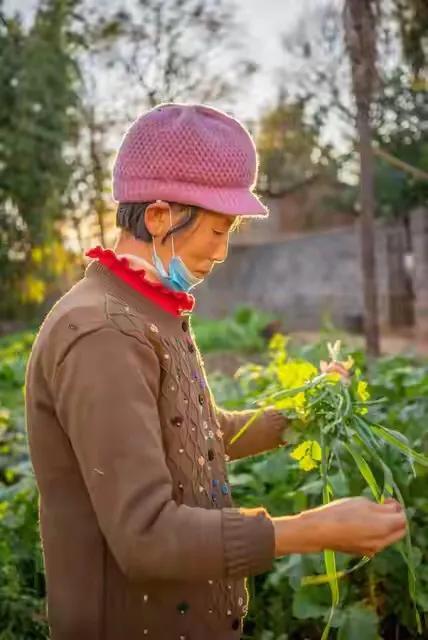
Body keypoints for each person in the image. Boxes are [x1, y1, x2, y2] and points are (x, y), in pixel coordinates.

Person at [25, 103, 407, 640]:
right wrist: (310, 529)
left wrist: (307, 409)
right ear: (158, 217)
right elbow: (146, 534)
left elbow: (203, 433)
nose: (224, 252)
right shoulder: (102, 333)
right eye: (218, 229)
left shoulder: (147, 309)